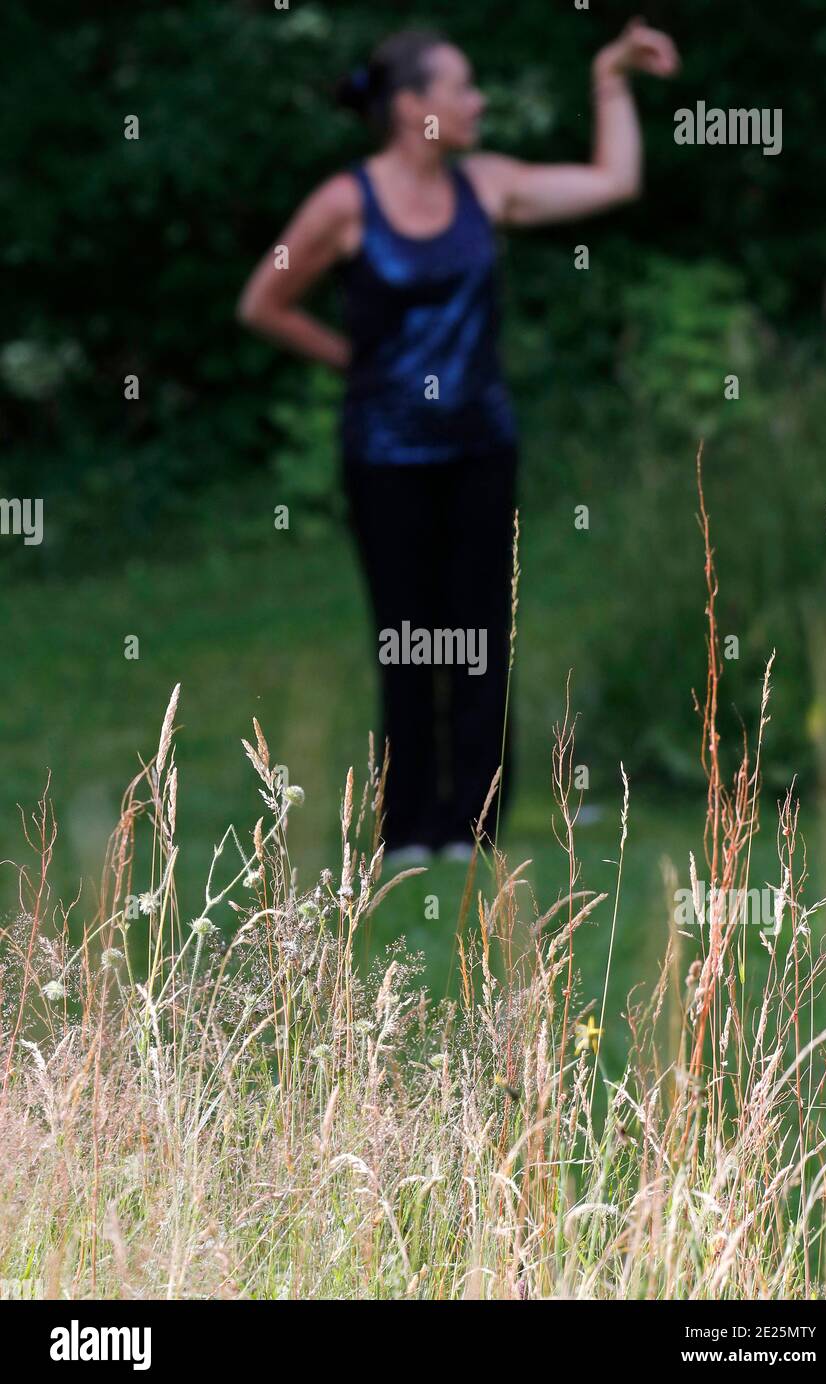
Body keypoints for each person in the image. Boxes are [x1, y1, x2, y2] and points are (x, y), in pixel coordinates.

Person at [237, 20, 679, 862]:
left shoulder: (490, 185)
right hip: (385, 456)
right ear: (413, 107)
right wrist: (355, 364)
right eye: (461, 87)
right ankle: (409, 826)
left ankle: (474, 823)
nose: (477, 102)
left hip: (481, 447)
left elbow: (615, 181)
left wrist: (609, 76)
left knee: (479, 634)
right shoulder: (345, 203)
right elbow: (264, 301)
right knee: (405, 634)